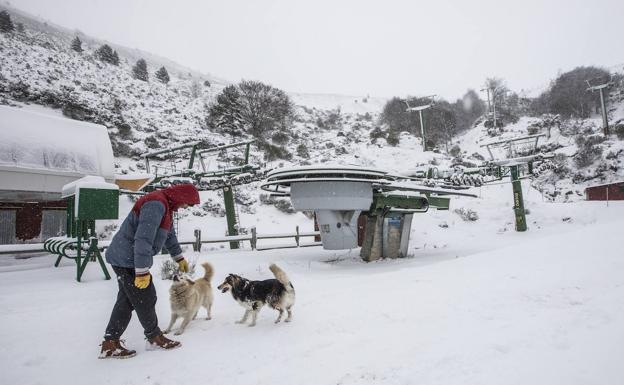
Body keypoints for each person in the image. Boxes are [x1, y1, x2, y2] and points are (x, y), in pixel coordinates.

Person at [99, 183, 200, 359]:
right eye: (187, 204)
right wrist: (142, 271)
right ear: (181, 197)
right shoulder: (156, 204)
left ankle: (110, 343)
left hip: (128, 258)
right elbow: (143, 239)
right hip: (128, 259)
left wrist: (178, 257)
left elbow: (168, 234)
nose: (185, 207)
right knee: (145, 297)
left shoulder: (165, 205)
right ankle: (154, 337)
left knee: (127, 301)